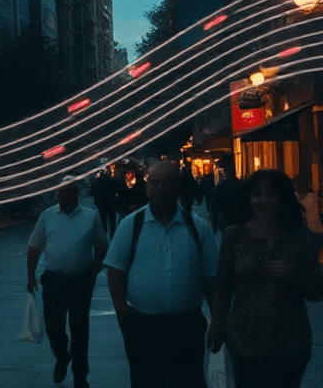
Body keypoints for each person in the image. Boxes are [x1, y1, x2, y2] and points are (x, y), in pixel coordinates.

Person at [104, 158, 219, 388]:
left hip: (187, 326)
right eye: (155, 182)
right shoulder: (130, 225)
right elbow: (116, 271)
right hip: (142, 326)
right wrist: (122, 312)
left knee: (189, 381)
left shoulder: (199, 228)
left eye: (167, 182)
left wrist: (218, 319)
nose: (161, 188)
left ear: (178, 187)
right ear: (147, 188)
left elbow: (212, 278)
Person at [209, 169, 323, 388]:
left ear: (283, 198)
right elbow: (223, 285)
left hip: (290, 342)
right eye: (257, 194)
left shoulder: (301, 239)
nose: (263, 200)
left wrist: (292, 276)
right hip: (245, 341)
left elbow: (317, 291)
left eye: (271, 194)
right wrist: (218, 324)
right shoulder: (236, 236)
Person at [26, 176, 107, 388]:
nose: (68, 195)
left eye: (72, 191)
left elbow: (101, 243)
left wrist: (97, 263)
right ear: (58, 193)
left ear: (78, 194)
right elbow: (35, 247)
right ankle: (62, 356)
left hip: (81, 279)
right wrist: (30, 275)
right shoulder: (48, 216)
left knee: (79, 328)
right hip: (54, 279)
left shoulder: (90, 216)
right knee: (54, 326)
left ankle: (80, 374)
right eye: (64, 191)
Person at [212, 162, 244, 234]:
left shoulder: (220, 187)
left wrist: (214, 223)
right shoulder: (241, 185)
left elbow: (215, 206)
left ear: (225, 173)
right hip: (239, 217)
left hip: (225, 216)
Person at [91, 168, 119, 238]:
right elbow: (117, 189)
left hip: (101, 205)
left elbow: (94, 194)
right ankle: (112, 235)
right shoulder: (112, 181)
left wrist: (97, 202)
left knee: (103, 221)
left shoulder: (95, 184)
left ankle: (104, 235)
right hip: (111, 204)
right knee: (112, 220)